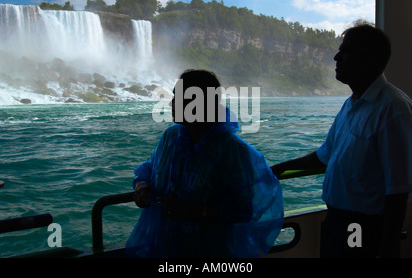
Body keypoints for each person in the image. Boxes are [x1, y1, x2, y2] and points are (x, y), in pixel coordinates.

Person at [271, 23, 412, 258]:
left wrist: (387, 249)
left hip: (362, 225)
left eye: (345, 51)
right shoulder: (351, 105)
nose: (336, 57)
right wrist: (279, 168)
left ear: (368, 57)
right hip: (338, 220)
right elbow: (324, 156)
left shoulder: (393, 109)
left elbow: (397, 191)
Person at [125, 69, 283, 258]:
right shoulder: (171, 136)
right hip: (166, 247)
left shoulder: (232, 151)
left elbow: (244, 210)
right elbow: (151, 167)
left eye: (178, 97)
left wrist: (195, 211)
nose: (171, 103)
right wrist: (141, 184)